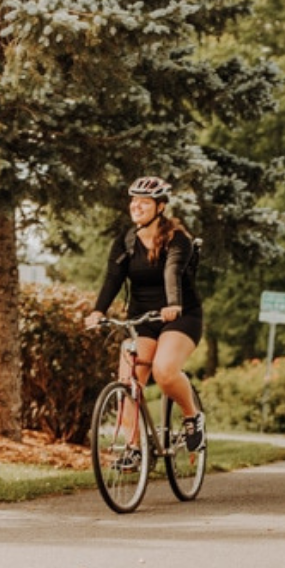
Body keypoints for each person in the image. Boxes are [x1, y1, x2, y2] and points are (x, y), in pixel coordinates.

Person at [84, 176, 205, 467]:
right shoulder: (125, 241)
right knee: (128, 379)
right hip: (142, 318)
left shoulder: (178, 240)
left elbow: (172, 271)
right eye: (133, 200)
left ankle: (192, 416)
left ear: (160, 206)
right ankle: (134, 448)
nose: (136, 205)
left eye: (145, 201)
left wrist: (173, 303)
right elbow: (113, 279)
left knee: (164, 371)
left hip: (181, 316)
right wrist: (98, 311)